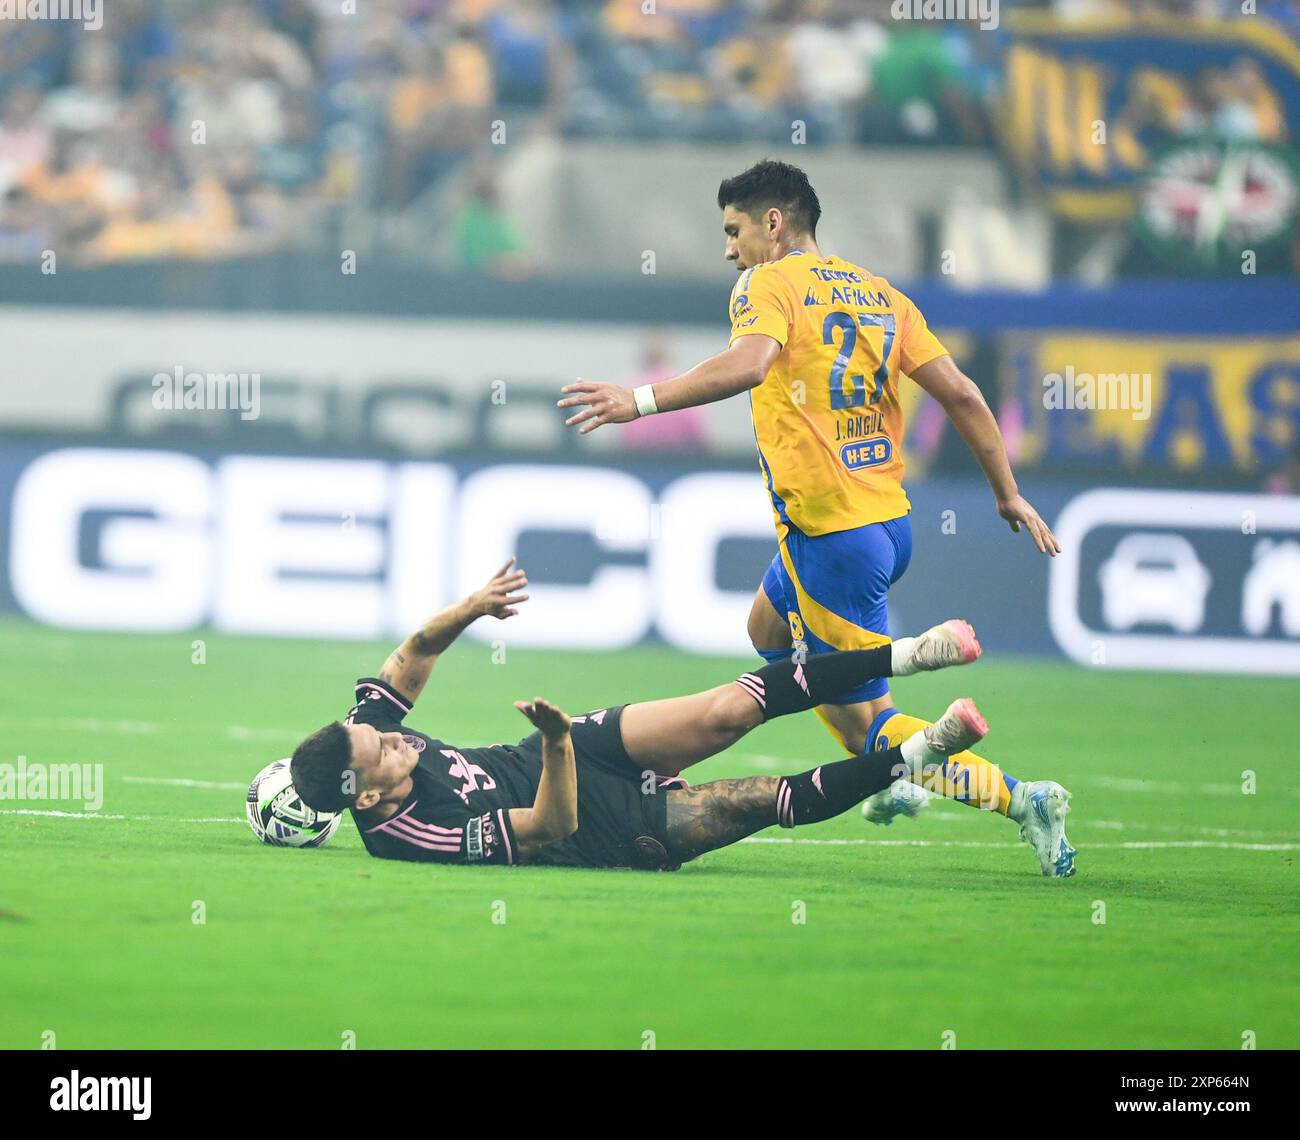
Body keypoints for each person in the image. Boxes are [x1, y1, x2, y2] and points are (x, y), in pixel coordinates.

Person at [557, 159, 1076, 876]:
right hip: (887, 526)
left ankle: (1020, 800)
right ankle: (896, 767)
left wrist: (637, 401)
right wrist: (1006, 491)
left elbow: (748, 365)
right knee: (766, 631)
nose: (729, 249)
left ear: (774, 223)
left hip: (834, 539)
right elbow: (961, 393)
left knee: (869, 726)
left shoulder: (766, 285)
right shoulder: (878, 293)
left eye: (734, 230)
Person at [289, 559, 990, 870]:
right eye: (378, 750)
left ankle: (907, 654)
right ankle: (925, 750)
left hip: (559, 752)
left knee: (728, 710)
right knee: (758, 799)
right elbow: (548, 824)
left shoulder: (367, 743)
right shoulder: (412, 837)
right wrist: (558, 743)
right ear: (369, 794)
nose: (389, 735)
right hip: (601, 832)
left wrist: (471, 609)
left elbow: (410, 655)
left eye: (375, 728)